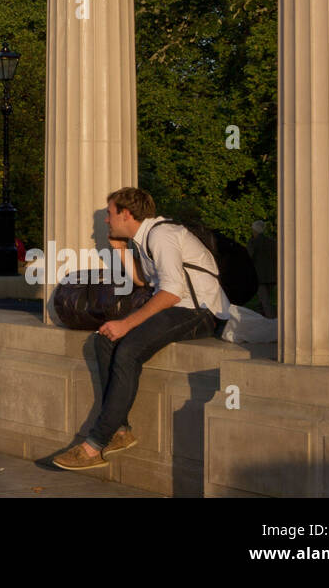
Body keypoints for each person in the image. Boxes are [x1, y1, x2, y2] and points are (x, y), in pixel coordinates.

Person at [53, 186, 230, 471]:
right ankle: (121, 431)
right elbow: (142, 281)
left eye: (110, 214)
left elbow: (171, 293)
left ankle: (94, 445)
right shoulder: (145, 237)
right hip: (178, 306)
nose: (107, 221)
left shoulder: (162, 235)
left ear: (126, 213)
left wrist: (126, 324)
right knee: (103, 340)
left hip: (201, 311)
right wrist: (121, 250)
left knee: (128, 350)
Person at [248, 219, 276, 318]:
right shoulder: (272, 242)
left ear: (255, 230)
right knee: (263, 300)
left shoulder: (253, 242)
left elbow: (249, 258)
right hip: (272, 276)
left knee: (265, 301)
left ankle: (271, 320)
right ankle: (260, 317)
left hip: (260, 277)